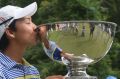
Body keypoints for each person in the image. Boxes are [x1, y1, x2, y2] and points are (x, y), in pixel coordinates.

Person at [0, 2, 73, 79]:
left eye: (32, 21)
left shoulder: (32, 70)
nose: (35, 27)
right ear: (11, 32)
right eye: (28, 22)